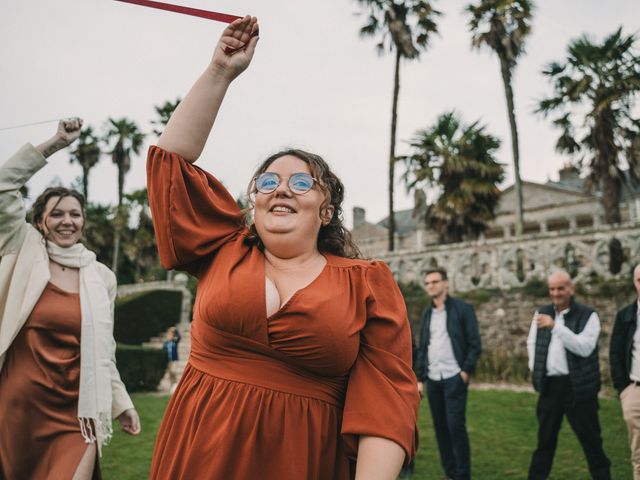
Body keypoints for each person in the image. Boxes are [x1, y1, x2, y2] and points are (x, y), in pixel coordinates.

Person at [146, 15, 419, 480]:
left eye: (301, 183)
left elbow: (387, 400)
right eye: (269, 181)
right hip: (199, 451)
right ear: (255, 200)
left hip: (302, 458)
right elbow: (171, 164)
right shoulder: (222, 250)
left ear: (326, 210)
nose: (282, 190)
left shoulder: (366, 283)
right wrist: (220, 71)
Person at [0, 119, 141, 479]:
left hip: (76, 412)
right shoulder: (23, 250)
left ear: (84, 221)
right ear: (40, 222)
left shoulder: (101, 277)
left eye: (74, 214)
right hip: (16, 408)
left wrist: (122, 404)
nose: (67, 221)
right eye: (57, 214)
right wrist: (55, 143)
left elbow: (103, 351)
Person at [527, 270, 610, 480]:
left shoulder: (588, 315)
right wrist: (535, 370)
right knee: (544, 444)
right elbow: (532, 343)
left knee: (592, 444)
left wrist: (556, 327)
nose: (556, 293)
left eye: (560, 288)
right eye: (552, 289)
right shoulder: (541, 312)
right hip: (550, 388)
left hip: (578, 389)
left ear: (571, 289)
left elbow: (584, 348)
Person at [415, 267, 481, 480]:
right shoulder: (427, 314)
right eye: (427, 283)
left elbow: (474, 343)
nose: (430, 286)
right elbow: (423, 346)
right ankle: (450, 474)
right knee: (440, 428)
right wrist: (420, 377)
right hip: (433, 379)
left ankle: (463, 476)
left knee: (456, 428)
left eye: (434, 282)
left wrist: (465, 371)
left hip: (454, 377)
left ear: (445, 284)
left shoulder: (462, 309)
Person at [610, 263, 640, 479]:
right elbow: (615, 354)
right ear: (634, 283)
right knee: (638, 455)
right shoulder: (625, 316)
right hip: (635, 392)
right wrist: (624, 390)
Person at [163, 325, 181, 393]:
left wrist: (175, 330)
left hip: (174, 360)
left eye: (171, 335)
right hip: (169, 360)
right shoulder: (166, 343)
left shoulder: (174, 342)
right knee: (170, 373)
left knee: (173, 372)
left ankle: (176, 385)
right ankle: (172, 386)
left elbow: (179, 337)